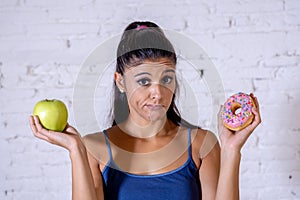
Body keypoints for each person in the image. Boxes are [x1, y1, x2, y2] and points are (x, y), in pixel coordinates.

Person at [29, 21, 261, 200]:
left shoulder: (202, 144)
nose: (158, 93)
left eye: (166, 78)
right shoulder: (94, 148)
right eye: (143, 81)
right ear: (120, 82)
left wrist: (232, 150)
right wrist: (75, 150)